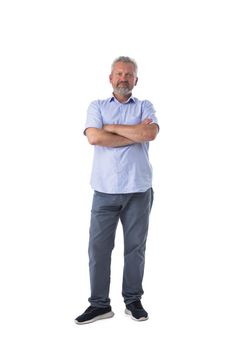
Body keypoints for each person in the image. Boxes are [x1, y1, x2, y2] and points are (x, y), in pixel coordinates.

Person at [75, 56, 159, 324]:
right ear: (110, 78)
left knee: (135, 249)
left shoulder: (145, 105)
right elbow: (94, 137)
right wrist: (131, 134)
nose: (124, 78)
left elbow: (150, 134)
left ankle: (133, 300)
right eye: (119, 74)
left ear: (136, 80)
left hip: (138, 191)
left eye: (129, 75)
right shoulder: (96, 106)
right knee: (98, 249)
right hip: (104, 192)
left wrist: (110, 129)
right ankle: (99, 305)